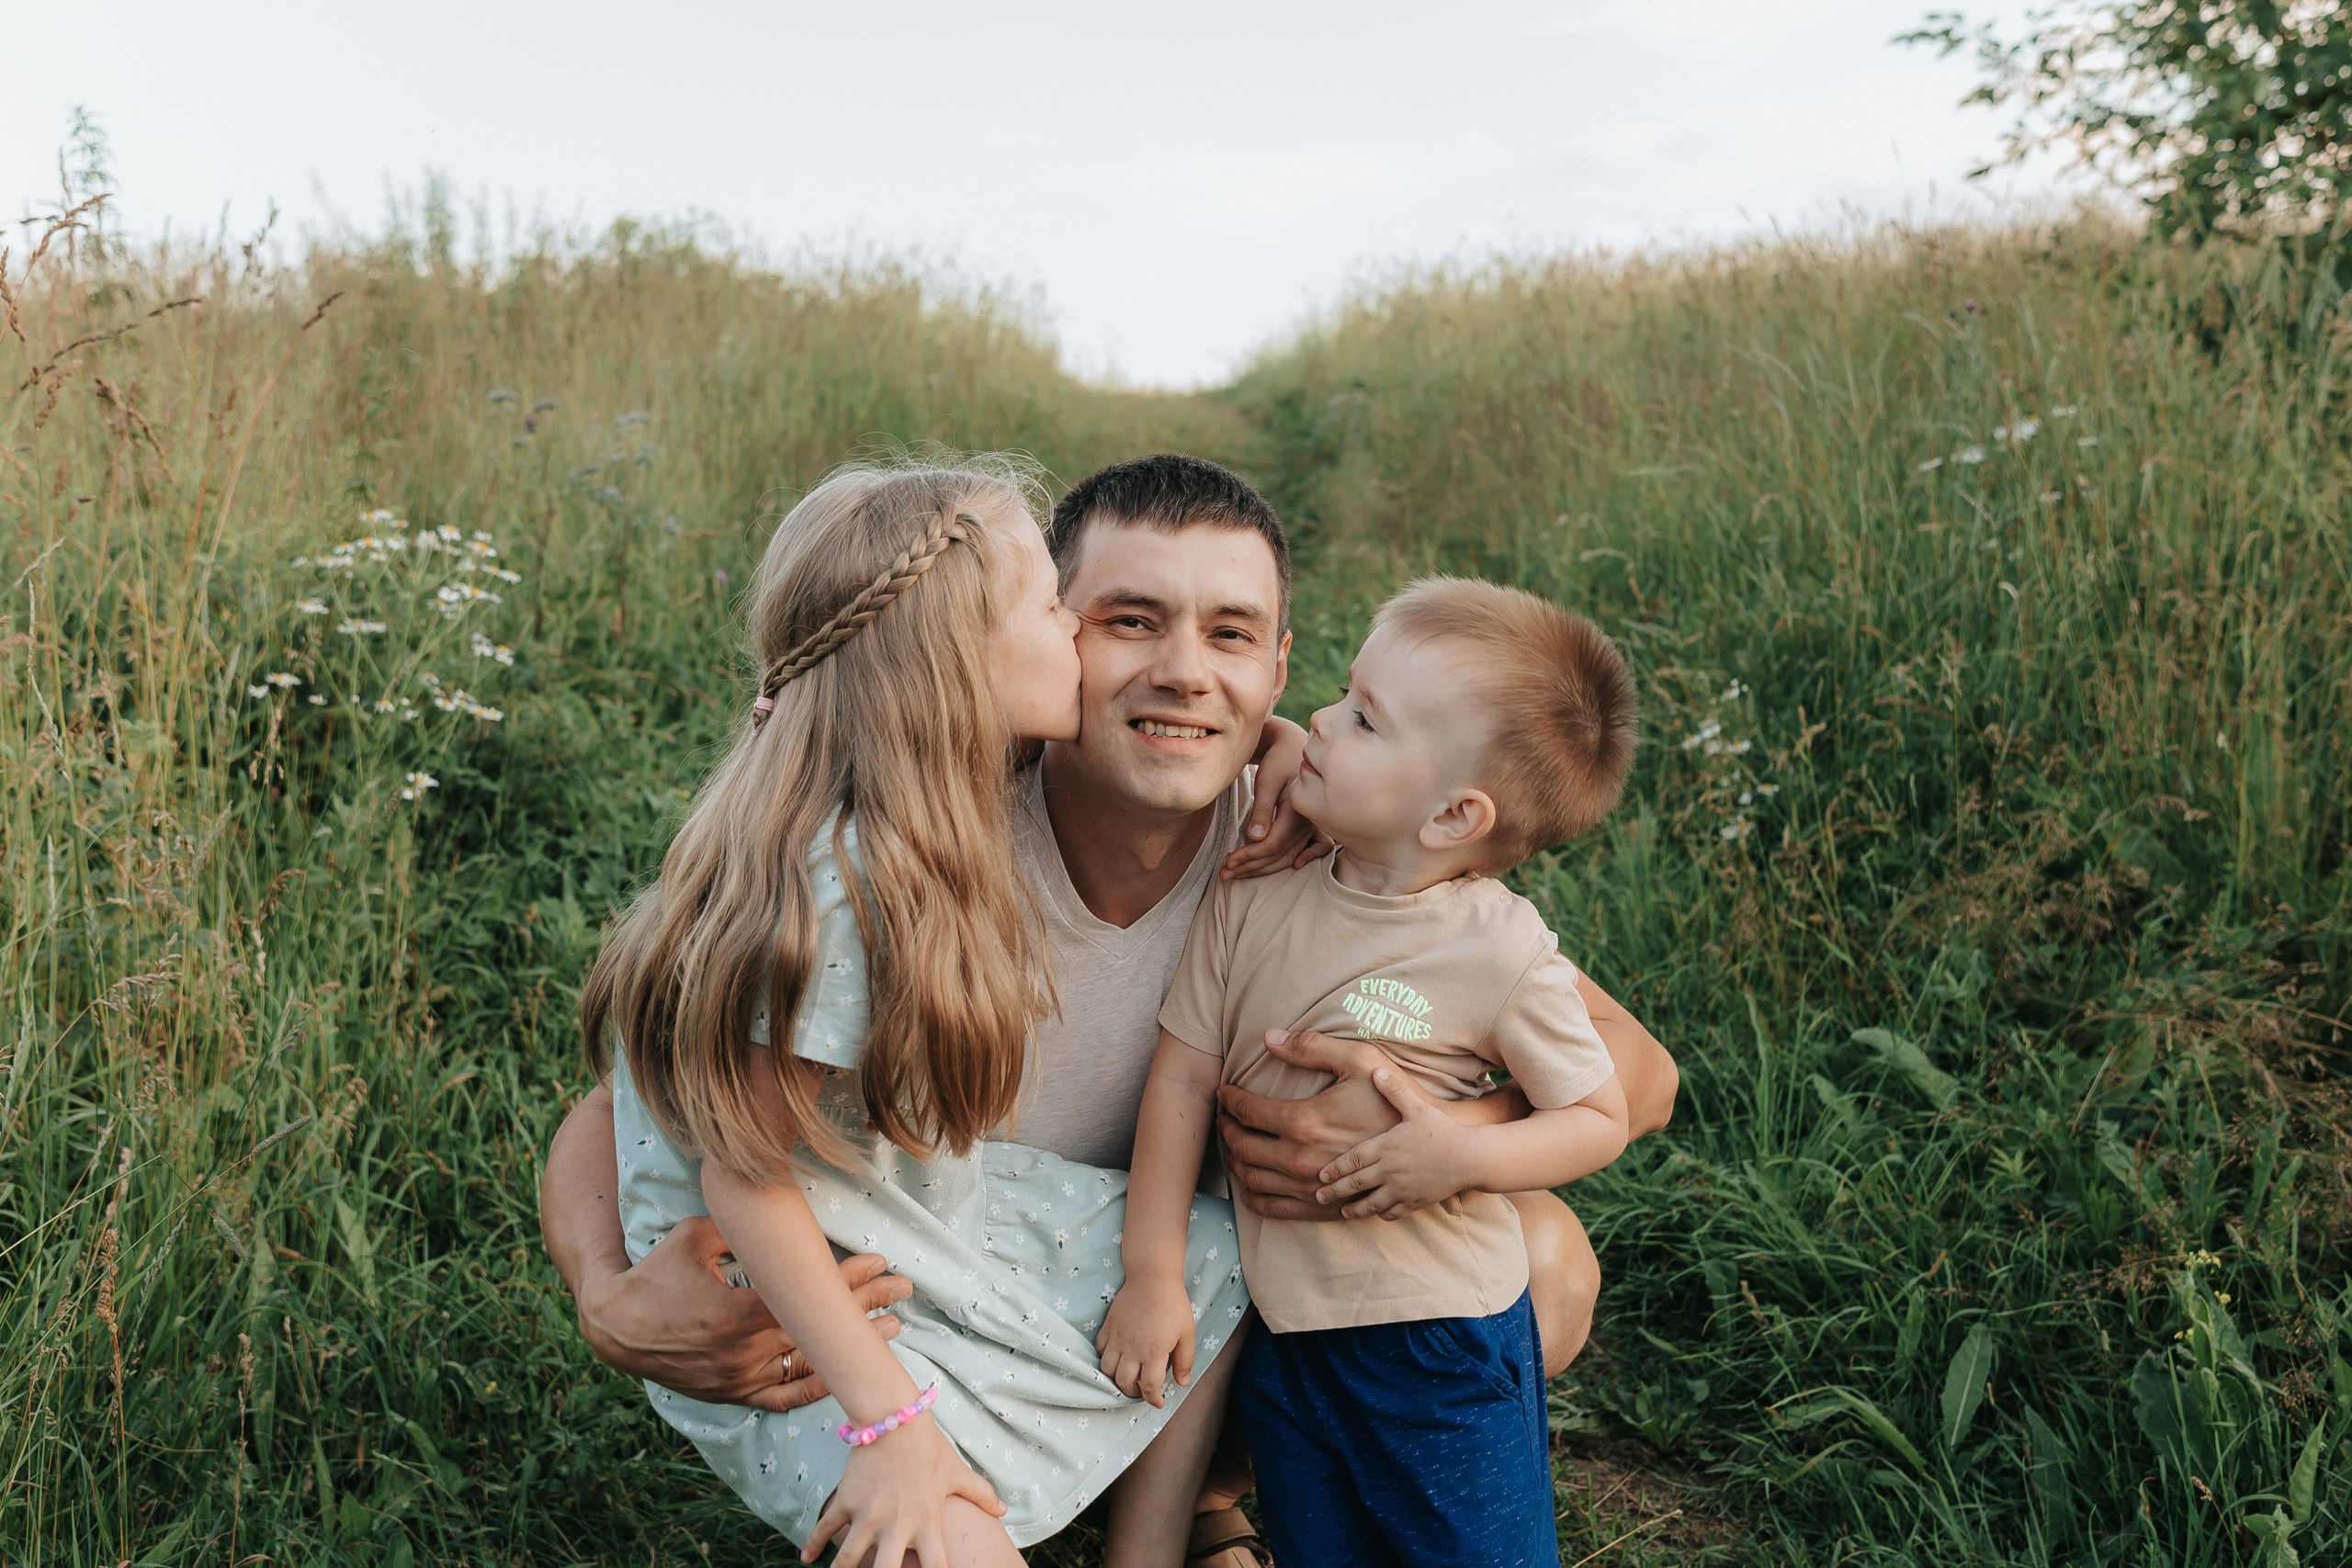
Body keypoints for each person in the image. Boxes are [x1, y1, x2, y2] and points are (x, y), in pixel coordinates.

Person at [540, 454, 1679, 1566]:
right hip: (926, 1288)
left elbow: (1638, 1073)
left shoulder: (1322, 846)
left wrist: (1428, 1145)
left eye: (1229, 634)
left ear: (1279, 670)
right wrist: (606, 1293)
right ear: (1048, 637)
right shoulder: (923, 838)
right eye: (1130, 619)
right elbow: (646, 1106)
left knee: (1538, 1260)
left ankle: (1200, 1499)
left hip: (1130, 1280)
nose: (1185, 672)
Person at [582, 458, 1268, 1568]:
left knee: (1207, 1249)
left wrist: (1281, 743)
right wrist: (891, 1423)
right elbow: (741, 1175)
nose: (1080, 638)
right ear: (962, 664)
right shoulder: (842, 880)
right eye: (1057, 607)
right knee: (940, 1543)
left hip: (902, 1215)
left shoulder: (914, 826)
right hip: (781, 1289)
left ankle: (1153, 1541)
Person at [1100, 578, 1641, 1567]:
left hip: (1439, 1339)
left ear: (1449, 816)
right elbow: (1180, 1082)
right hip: (1283, 1330)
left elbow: (1599, 1113)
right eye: (1340, 695)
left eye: (1362, 718)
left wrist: (1456, 1152)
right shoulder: (1255, 898)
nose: (1318, 718)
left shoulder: (1499, 950)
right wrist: (1152, 1274)